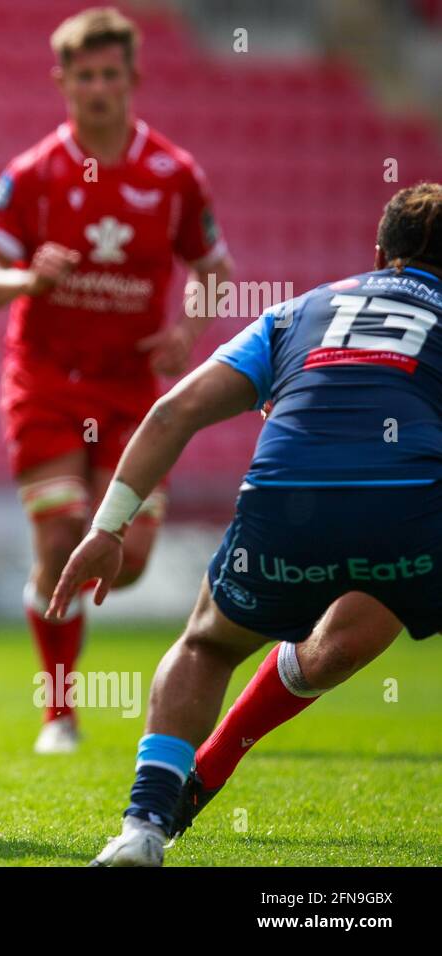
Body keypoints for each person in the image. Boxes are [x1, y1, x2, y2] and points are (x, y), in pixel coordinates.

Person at [48, 182, 442, 865]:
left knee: (208, 645)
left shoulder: (301, 310)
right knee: (349, 635)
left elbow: (173, 412)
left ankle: (143, 826)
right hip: (412, 503)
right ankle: (203, 773)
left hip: (290, 495)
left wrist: (108, 529)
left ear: (378, 254)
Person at [0, 6, 232, 753]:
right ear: (63, 82)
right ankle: (59, 711)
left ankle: (56, 613)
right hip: (46, 381)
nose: (99, 89)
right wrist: (21, 276)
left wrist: (186, 332)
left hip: (134, 389)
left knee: (130, 558)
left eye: (112, 75)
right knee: (59, 540)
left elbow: (214, 269)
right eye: (86, 77)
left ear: (133, 80)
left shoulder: (172, 175)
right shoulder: (33, 175)